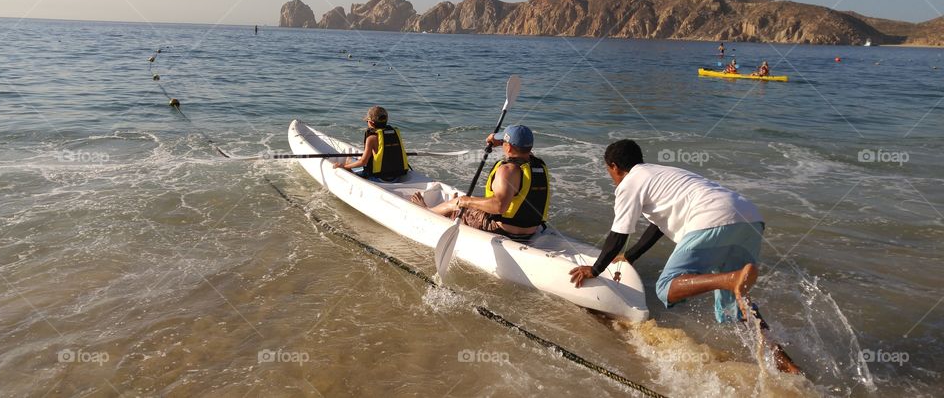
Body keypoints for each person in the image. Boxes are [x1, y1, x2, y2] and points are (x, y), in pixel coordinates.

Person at [568, 139, 801, 374]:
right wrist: (630, 256)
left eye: (609, 171)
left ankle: (730, 279)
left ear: (614, 166)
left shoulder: (630, 183)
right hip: (749, 217)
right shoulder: (661, 174)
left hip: (712, 217)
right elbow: (658, 226)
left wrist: (594, 269)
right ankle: (782, 359)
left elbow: (619, 234)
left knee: (665, 287)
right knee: (736, 304)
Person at [410, 125, 550, 242]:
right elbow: (521, 149)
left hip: (501, 229)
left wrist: (466, 201)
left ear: (509, 148)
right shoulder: (538, 165)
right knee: (472, 201)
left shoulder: (507, 170)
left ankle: (428, 211)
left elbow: (499, 206)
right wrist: (500, 141)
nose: (502, 145)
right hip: (530, 230)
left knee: (458, 203)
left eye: (503, 142)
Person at [333, 106, 409, 180]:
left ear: (371, 123)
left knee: (349, 161)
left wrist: (344, 167)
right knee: (352, 160)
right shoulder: (394, 134)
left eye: (367, 121)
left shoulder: (372, 138)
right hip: (396, 176)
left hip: (378, 178)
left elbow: (363, 162)